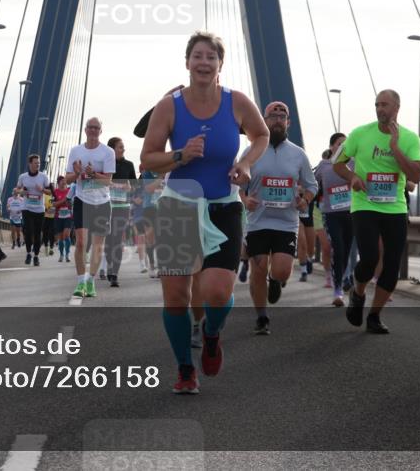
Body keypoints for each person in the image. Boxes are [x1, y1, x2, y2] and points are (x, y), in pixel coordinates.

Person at [141, 31, 268, 394]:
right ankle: (185, 369)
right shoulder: (169, 106)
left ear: (220, 64)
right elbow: (148, 158)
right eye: (197, 56)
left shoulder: (237, 102)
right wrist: (180, 155)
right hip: (177, 208)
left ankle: (211, 333)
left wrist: (245, 163)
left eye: (211, 57)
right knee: (176, 298)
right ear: (187, 62)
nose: (204, 63)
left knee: (216, 292)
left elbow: (260, 136)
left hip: (223, 207)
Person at [333, 89, 420, 334]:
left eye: (385, 105)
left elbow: (416, 176)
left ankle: (374, 316)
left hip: (395, 208)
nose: (380, 109)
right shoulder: (360, 134)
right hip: (365, 205)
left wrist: (395, 147)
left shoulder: (410, 138)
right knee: (370, 258)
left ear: (397, 108)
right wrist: (352, 177)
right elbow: (336, 162)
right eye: (377, 105)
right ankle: (358, 293)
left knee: (392, 265)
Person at [240, 101, 317, 334]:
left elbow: (312, 186)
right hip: (257, 221)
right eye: (273, 117)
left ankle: (275, 280)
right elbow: (237, 184)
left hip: (286, 222)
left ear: (288, 122)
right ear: (264, 121)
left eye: (282, 117)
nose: (277, 120)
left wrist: (305, 200)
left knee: (282, 271)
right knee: (258, 269)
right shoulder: (251, 151)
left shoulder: (298, 154)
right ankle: (262, 317)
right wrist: (245, 199)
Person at [65, 117, 116, 298]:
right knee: (80, 242)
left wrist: (93, 174)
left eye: (96, 128)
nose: (93, 130)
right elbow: (67, 180)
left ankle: (90, 280)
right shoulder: (75, 151)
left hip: (102, 202)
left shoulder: (108, 152)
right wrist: (77, 173)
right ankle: (80, 282)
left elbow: (108, 181)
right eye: (90, 127)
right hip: (82, 200)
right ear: (85, 130)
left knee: (98, 245)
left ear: (101, 131)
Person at [315, 133, 352, 306]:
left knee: (347, 249)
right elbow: (312, 184)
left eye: (346, 144)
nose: (343, 147)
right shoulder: (323, 165)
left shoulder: (354, 163)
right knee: (338, 247)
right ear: (331, 147)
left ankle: (344, 276)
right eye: (339, 144)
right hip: (331, 214)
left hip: (351, 213)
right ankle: (338, 290)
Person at [105, 137, 137, 287]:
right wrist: (112, 185)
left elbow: (135, 186)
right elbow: (99, 182)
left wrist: (130, 187)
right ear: (112, 149)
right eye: (120, 147)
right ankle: (109, 264)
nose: (123, 149)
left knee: (117, 239)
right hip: (106, 207)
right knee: (108, 240)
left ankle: (114, 273)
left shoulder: (129, 165)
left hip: (122, 207)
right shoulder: (105, 164)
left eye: (123, 147)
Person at [16, 154, 53, 266]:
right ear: (30, 164)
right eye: (35, 163)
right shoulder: (23, 177)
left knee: (37, 234)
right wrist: (22, 192)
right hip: (27, 208)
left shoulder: (43, 177)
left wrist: (42, 190)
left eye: (39, 163)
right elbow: (16, 190)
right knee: (28, 231)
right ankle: (28, 253)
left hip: (39, 210)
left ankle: (36, 256)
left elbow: (50, 192)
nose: (38, 165)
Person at [52, 176, 73, 262]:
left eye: (65, 180)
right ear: (58, 183)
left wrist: (69, 203)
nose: (64, 182)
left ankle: (67, 254)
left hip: (68, 216)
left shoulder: (69, 191)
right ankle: (61, 254)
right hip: (58, 217)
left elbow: (72, 203)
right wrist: (63, 200)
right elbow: (54, 204)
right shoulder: (55, 192)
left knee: (66, 235)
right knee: (61, 237)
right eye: (62, 181)